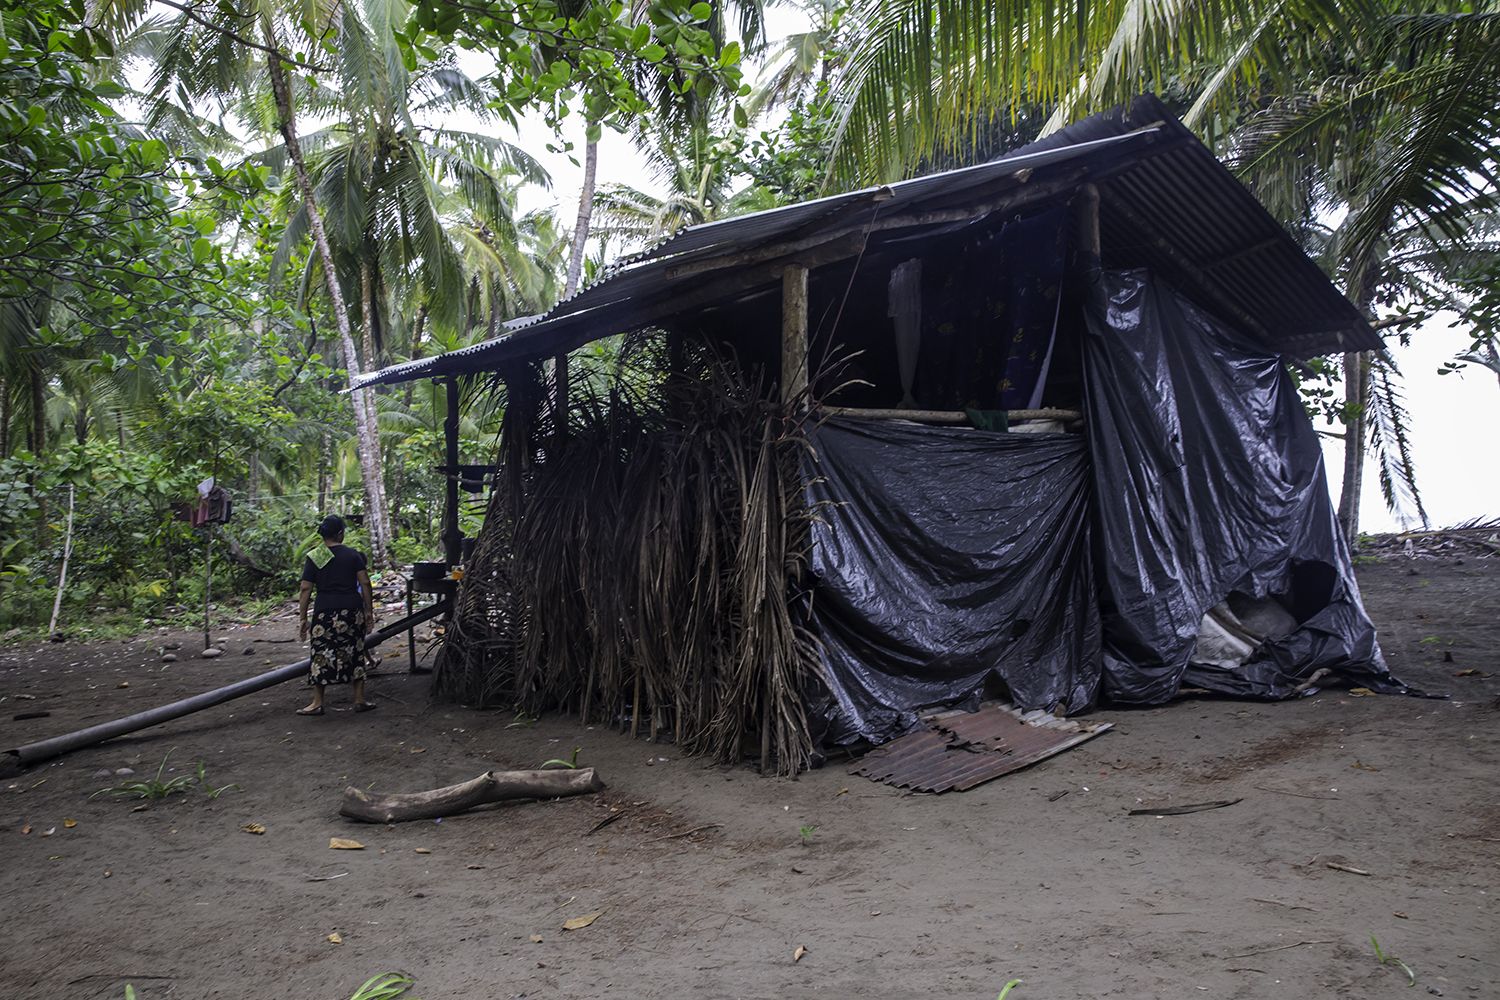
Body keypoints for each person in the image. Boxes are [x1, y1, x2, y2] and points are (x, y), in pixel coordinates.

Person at [296, 515, 376, 715]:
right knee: (356, 651)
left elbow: (305, 588)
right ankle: (359, 699)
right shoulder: (352, 555)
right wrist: (368, 611)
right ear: (340, 533)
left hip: (325, 611)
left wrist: (303, 618)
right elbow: (365, 583)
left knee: (321, 654)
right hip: (351, 609)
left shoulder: (317, 555)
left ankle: (317, 702)